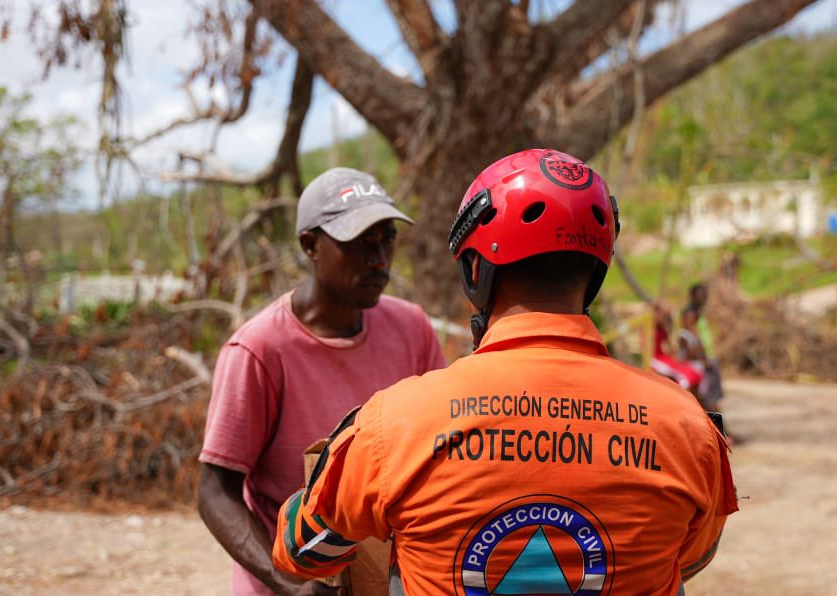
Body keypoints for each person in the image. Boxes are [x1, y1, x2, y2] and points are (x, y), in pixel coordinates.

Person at [272, 149, 737, 595]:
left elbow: (303, 552)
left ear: (475, 269)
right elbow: (691, 555)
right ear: (596, 271)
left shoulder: (393, 424)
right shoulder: (687, 427)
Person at [198, 167, 447, 595]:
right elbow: (215, 492)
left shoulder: (412, 329)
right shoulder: (260, 350)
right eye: (358, 243)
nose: (379, 259)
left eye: (386, 238)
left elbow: (442, 451)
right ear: (310, 245)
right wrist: (293, 585)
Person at [679, 283, 724, 411]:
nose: (703, 298)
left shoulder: (699, 314)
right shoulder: (689, 319)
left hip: (706, 358)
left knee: (711, 397)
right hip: (701, 363)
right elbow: (691, 350)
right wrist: (703, 359)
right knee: (707, 399)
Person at [650, 303, 704, 394]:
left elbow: (669, 348)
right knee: (683, 377)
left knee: (692, 372)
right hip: (656, 359)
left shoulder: (663, 328)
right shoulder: (651, 327)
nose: (664, 317)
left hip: (664, 357)